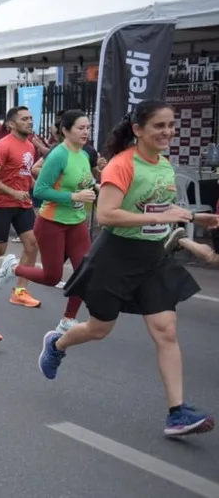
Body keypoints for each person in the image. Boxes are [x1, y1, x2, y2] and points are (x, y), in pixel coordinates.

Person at [38, 100, 217, 437]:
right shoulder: (122, 165)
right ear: (138, 130)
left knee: (166, 328)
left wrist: (193, 216)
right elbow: (106, 214)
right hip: (116, 256)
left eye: (170, 125)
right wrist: (159, 217)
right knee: (99, 328)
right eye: (158, 126)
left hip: (152, 256)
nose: (167, 132)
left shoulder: (163, 164)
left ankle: (177, 413)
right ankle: (57, 344)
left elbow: (160, 206)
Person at [0, 110, 95, 333]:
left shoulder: (85, 155)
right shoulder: (59, 155)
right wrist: (74, 197)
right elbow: (41, 190)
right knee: (52, 277)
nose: (86, 132)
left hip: (77, 222)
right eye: (81, 128)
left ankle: (68, 319)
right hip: (53, 222)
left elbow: (83, 183)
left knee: (85, 273)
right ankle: (13, 268)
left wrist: (95, 189)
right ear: (66, 131)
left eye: (88, 127)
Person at [0, 106, 41, 311]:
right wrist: (12, 192)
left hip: (23, 204)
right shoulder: (3, 146)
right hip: (1, 204)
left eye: (30, 118)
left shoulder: (29, 145)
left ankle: (20, 292)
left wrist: (41, 188)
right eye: (24, 119)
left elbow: (25, 173)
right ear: (10, 124)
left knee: (32, 243)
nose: (29, 121)